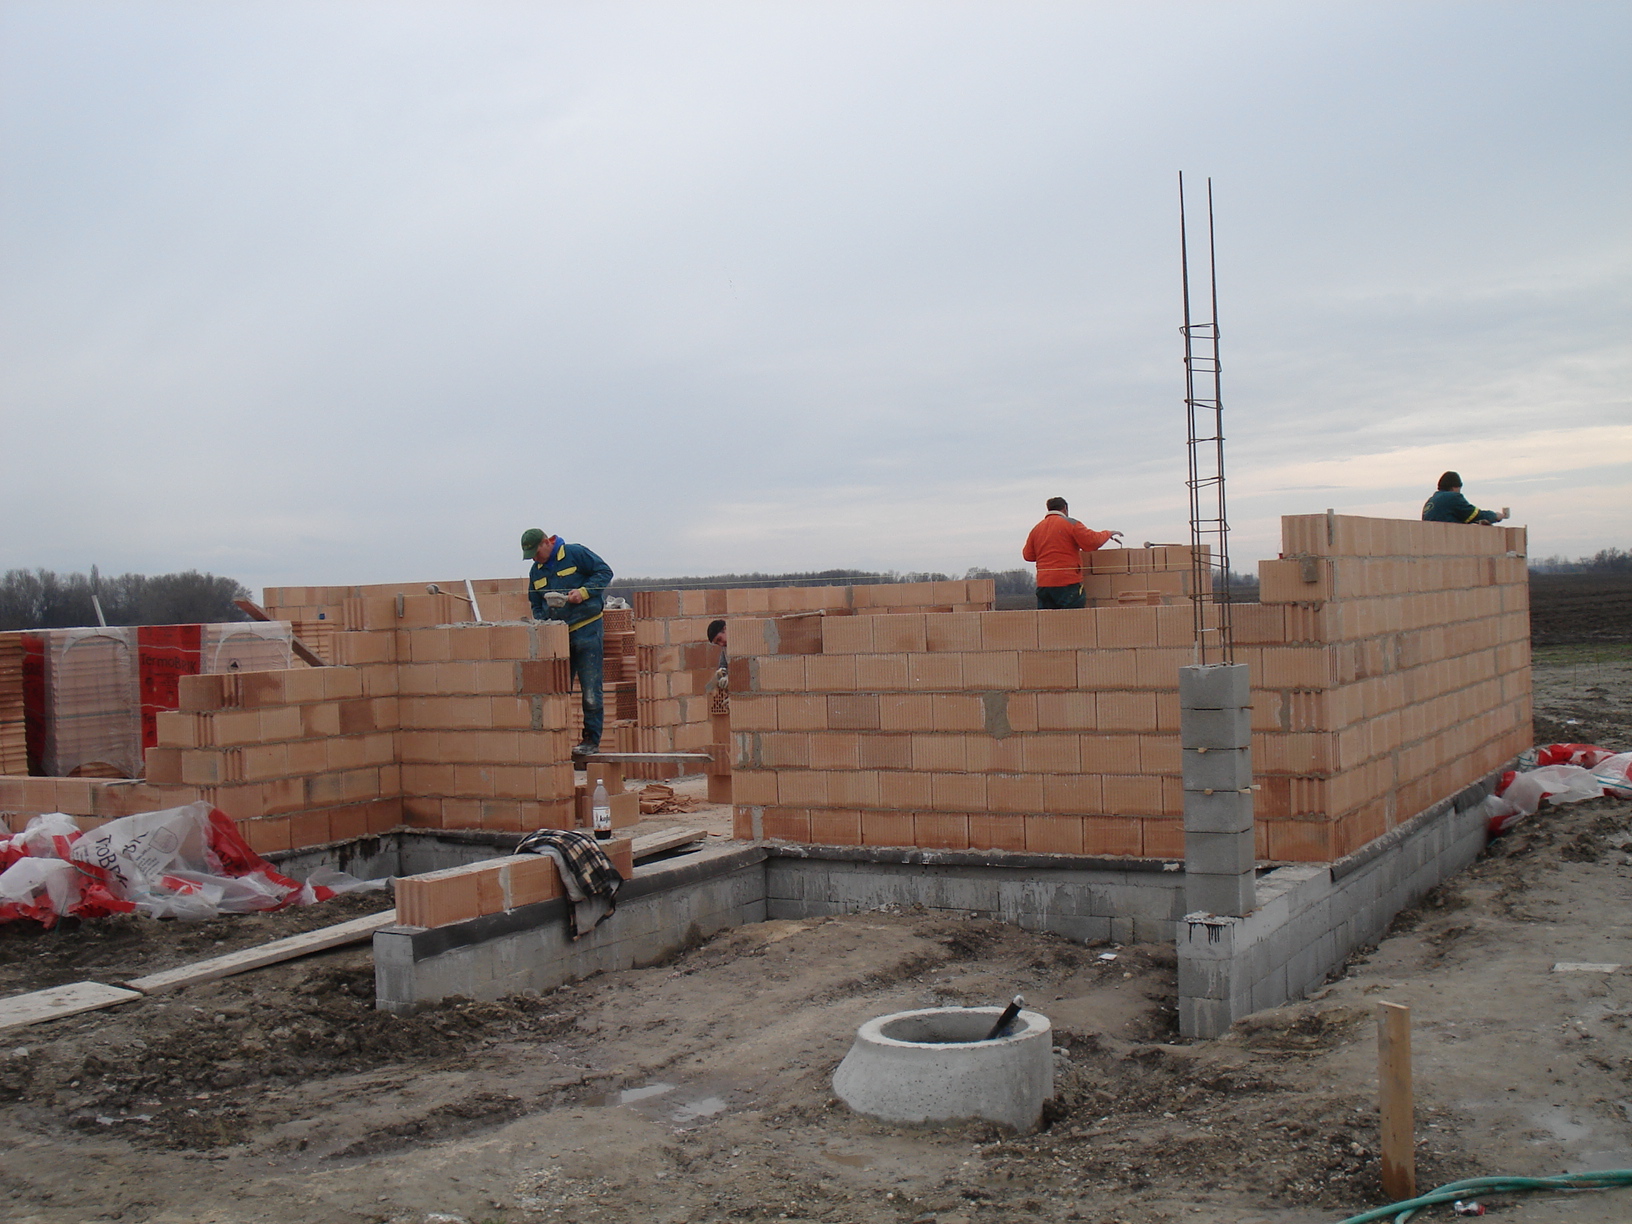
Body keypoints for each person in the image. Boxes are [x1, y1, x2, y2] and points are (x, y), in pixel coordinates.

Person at [522, 527, 614, 755]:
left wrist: (583, 592)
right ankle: (559, 744)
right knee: (559, 692)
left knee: (590, 691)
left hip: (587, 629)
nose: (535, 559)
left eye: (536, 553)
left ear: (546, 543)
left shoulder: (574, 553)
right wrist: (544, 622)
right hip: (559, 635)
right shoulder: (537, 571)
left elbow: (604, 572)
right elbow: (536, 603)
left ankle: (591, 741)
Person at [1022, 497, 1121, 609]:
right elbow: (1092, 542)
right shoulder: (1071, 524)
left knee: (1047, 619)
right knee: (1072, 618)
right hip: (1068, 583)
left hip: (1044, 584)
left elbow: (1028, 555)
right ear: (1065, 509)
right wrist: (1108, 533)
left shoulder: (1037, 529)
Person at [1421, 472, 1507, 525]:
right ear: (1455, 487)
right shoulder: (1453, 497)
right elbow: (1474, 515)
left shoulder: (1431, 501)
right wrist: (1495, 516)